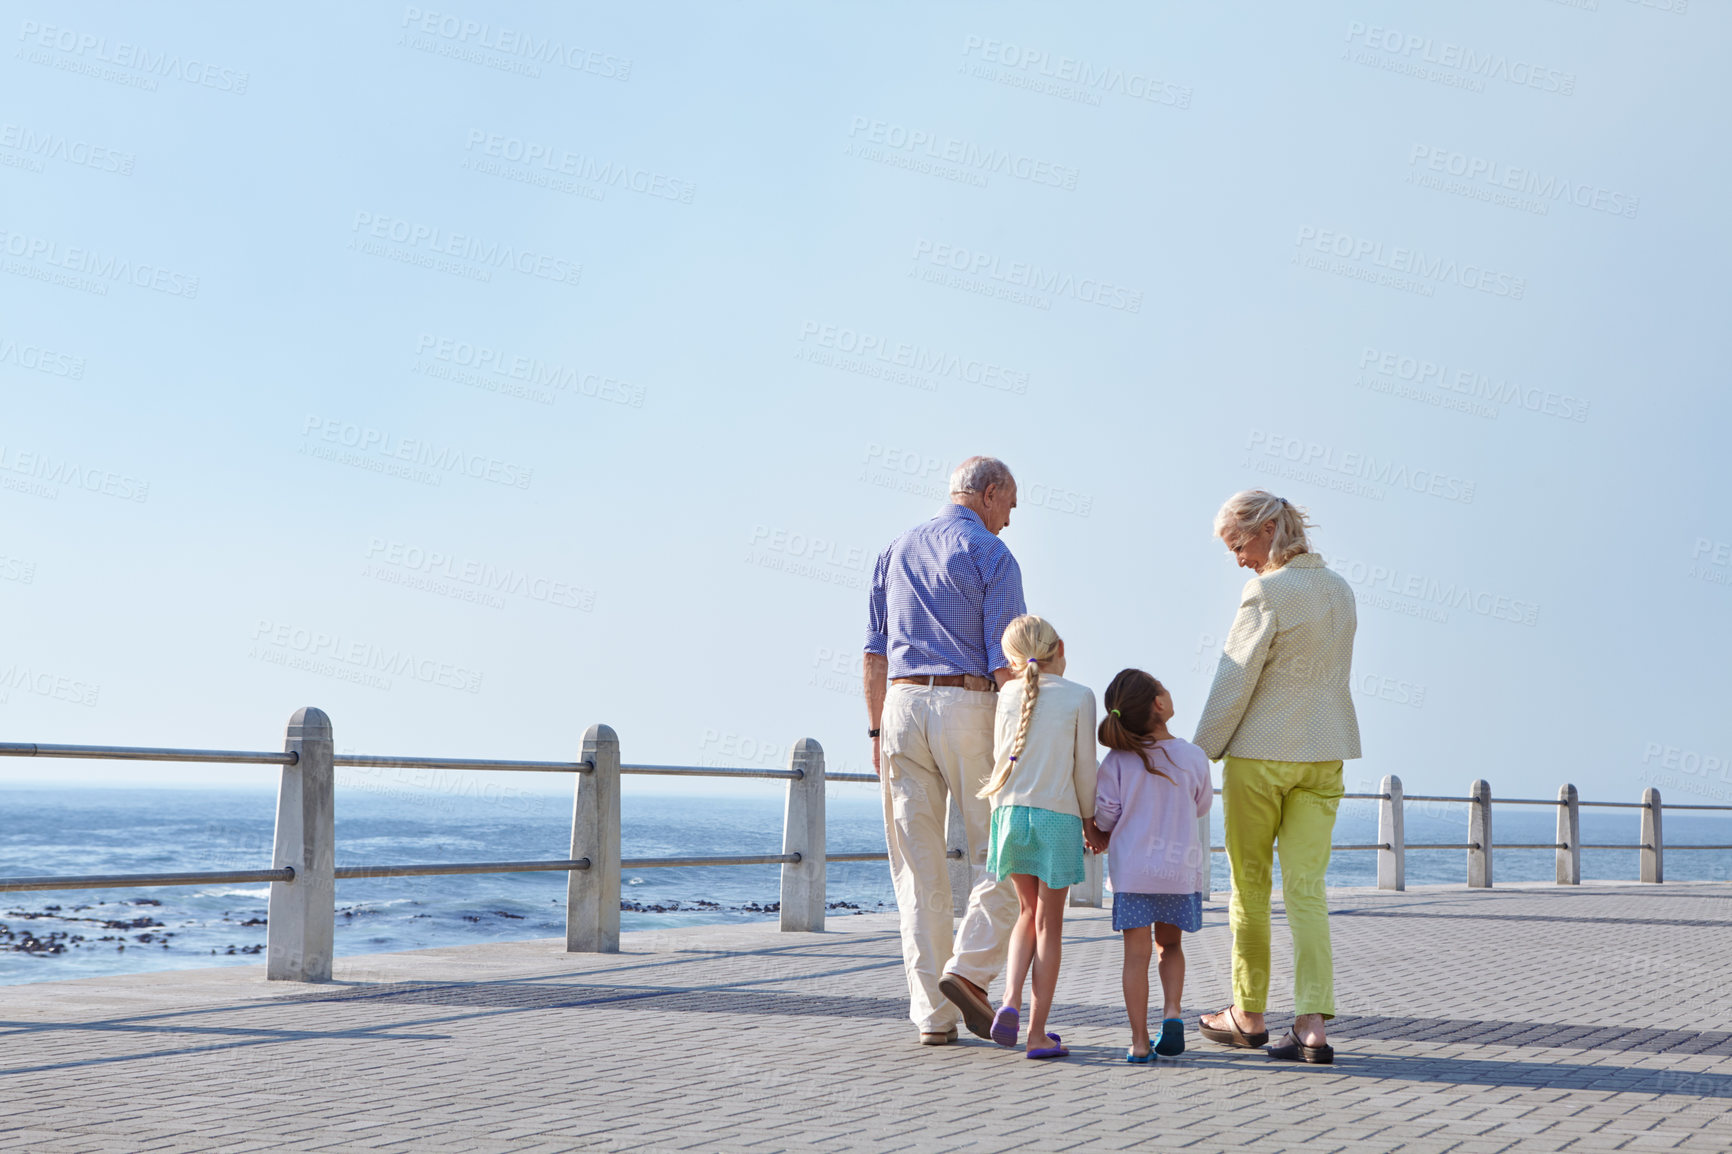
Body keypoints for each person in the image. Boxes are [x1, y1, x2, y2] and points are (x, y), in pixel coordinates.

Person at [1193, 490, 1361, 1065]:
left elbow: (1233, 679)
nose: (1238, 559)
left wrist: (1197, 756)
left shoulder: (1266, 591)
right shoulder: (1340, 589)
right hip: (1325, 753)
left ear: (1267, 529)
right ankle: (1312, 1026)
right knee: (1308, 891)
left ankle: (1248, 1013)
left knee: (1251, 887)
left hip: (1261, 756)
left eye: (1238, 545)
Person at [863, 456, 1026, 1045]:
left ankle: (933, 1014)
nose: (1010, 518)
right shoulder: (992, 554)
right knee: (1007, 854)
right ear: (987, 494)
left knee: (917, 869)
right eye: (1009, 503)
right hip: (970, 704)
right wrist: (1025, 738)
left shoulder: (895, 549)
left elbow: (874, 650)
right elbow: (1006, 660)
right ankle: (969, 974)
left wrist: (878, 733)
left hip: (901, 707)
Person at [977, 615, 1099, 1059]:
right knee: (1050, 923)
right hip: (1056, 817)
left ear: (1011, 662)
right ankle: (1037, 1033)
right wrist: (1092, 821)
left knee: (1025, 913)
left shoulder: (1007, 693)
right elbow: (1085, 768)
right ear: (1060, 647)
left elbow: (998, 759)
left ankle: (1008, 1000)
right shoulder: (1080, 697)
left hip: (1008, 814)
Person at [1094, 669, 1212, 1062]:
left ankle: (1140, 1041)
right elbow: (1201, 806)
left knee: (1136, 957)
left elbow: (1107, 816)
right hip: (1179, 871)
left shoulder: (1116, 761)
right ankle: (1173, 1013)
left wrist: (1102, 831)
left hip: (1132, 872)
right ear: (1159, 704)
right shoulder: (1194, 756)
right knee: (1172, 945)